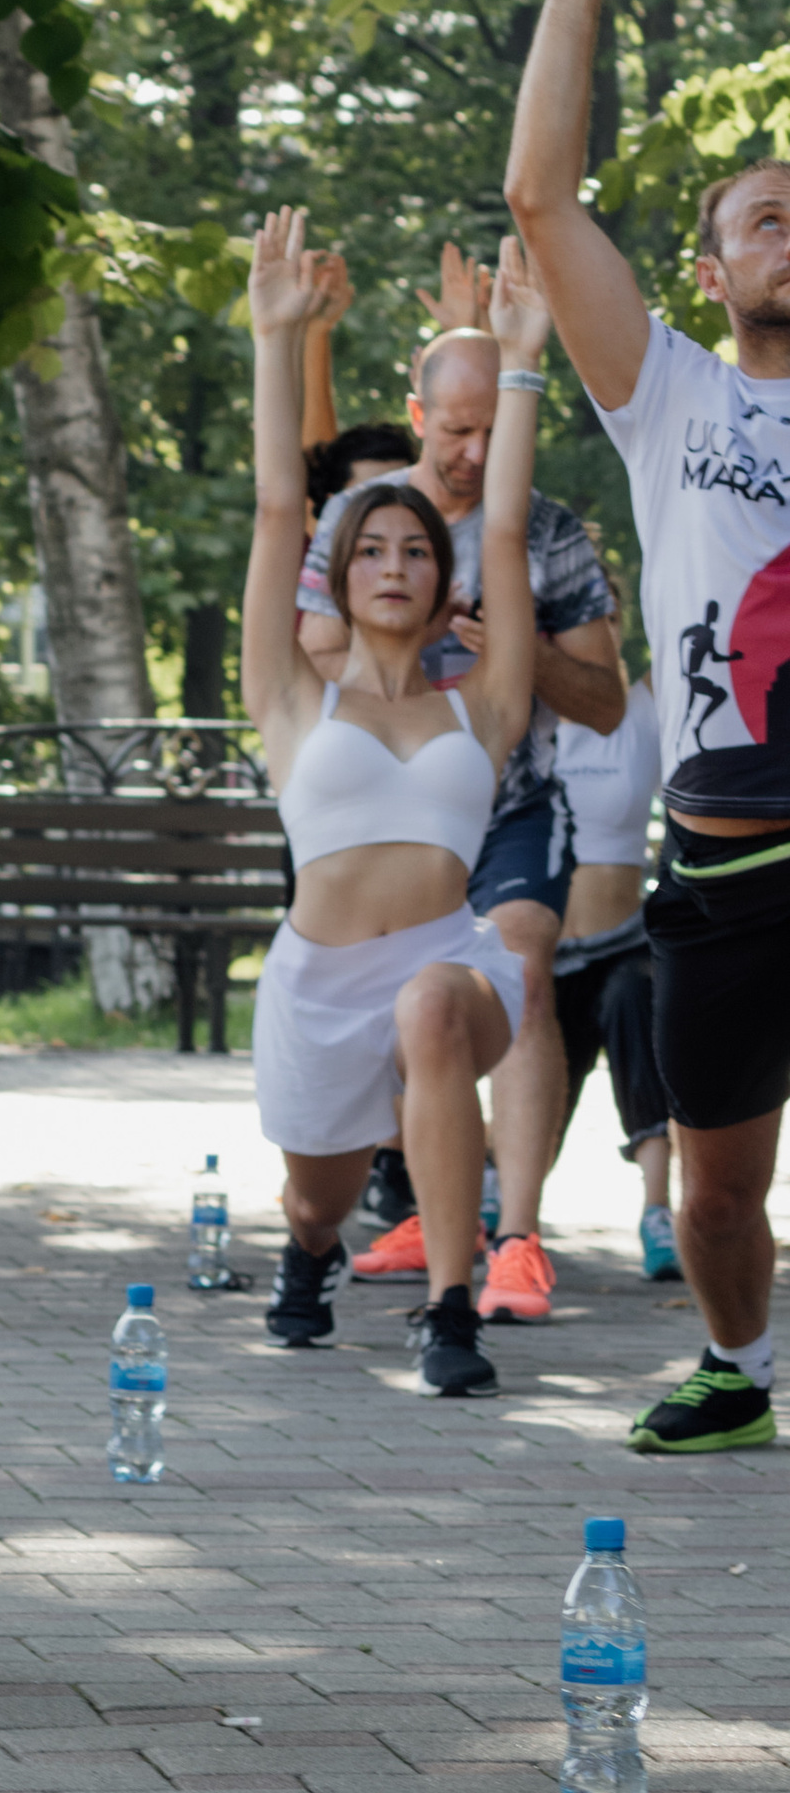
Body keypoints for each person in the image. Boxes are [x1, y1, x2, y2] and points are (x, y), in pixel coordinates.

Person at [504, 0, 790, 1453]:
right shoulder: (668, 391)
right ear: (705, 266)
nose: (785, 233)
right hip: (730, 863)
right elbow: (540, 195)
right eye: (760, 216)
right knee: (718, 1184)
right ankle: (738, 1374)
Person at [244, 207, 548, 1399]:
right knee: (314, 1197)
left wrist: (517, 362)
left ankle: (447, 1309)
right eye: (369, 550)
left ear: (438, 583)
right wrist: (278, 336)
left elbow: (509, 527)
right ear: (341, 570)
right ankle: (310, 1252)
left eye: (415, 554)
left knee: (431, 1008)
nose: (392, 565)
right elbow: (279, 508)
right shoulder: (288, 701)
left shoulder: (482, 709)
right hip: (316, 982)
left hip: (449, 959)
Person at [300, 300, 627, 1325]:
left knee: (521, 970)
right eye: (453, 431)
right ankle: (437, 1209)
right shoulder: (368, 524)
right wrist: (418, 634)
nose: (475, 451)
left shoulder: (547, 532)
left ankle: (517, 1238)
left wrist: (518, 653)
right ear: (415, 415)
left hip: (512, 803)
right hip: (387, 818)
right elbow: (303, 650)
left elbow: (608, 702)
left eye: (492, 429)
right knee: (405, 998)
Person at [550, 668, 675, 1277]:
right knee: (543, 1057)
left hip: (625, 941)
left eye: (599, 620)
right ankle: (496, 1203)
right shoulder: (525, 708)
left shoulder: (642, 711)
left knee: (634, 999)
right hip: (546, 952)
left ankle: (659, 1213)